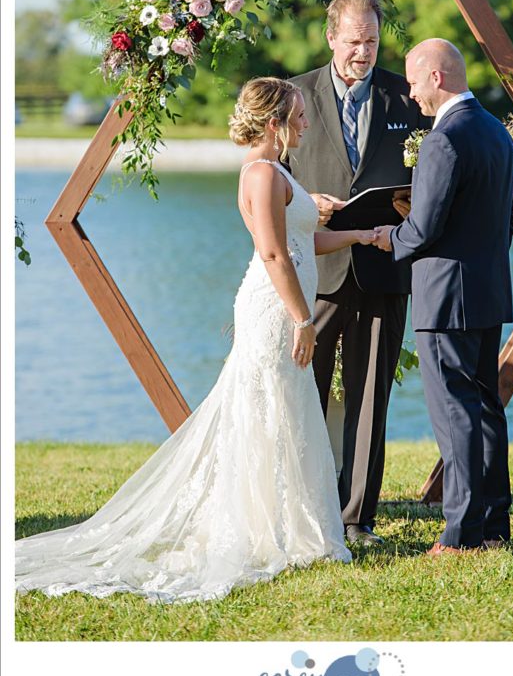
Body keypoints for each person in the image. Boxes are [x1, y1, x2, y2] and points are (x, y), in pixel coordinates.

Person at [15, 78, 378, 604]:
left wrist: (362, 235)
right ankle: (260, 528)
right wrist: (303, 320)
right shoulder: (260, 174)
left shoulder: (277, 172)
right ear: (274, 122)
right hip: (275, 309)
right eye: (298, 115)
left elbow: (304, 241)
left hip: (285, 306)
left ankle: (283, 523)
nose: (306, 123)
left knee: (286, 411)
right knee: (265, 410)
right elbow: (275, 255)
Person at [288, 0, 432, 547]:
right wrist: (305, 202)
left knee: (371, 398)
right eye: (354, 42)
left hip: (384, 268)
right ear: (331, 38)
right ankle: (304, 510)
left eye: (371, 41)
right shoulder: (295, 95)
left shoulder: (408, 97)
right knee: (304, 392)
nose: (363, 53)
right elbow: (264, 182)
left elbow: (435, 176)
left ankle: (356, 518)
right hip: (315, 273)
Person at [373, 39, 513, 554]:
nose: (410, 94)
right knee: (485, 409)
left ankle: (460, 535)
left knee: (456, 411)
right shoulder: (497, 132)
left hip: (444, 296)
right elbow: (503, 218)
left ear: (435, 77)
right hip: (486, 288)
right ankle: (494, 526)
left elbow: (424, 227)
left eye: (413, 81)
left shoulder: (443, 140)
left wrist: (384, 237)